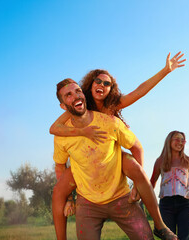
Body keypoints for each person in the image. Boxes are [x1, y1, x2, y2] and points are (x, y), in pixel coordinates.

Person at [51, 52, 185, 240]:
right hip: (86, 170)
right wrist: (84, 132)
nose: (102, 85)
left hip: (111, 159)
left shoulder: (112, 109)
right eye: (98, 81)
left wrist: (165, 71)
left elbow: (139, 91)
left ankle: (160, 225)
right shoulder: (79, 103)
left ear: (111, 89)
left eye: (108, 84)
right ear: (89, 85)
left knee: (132, 164)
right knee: (59, 191)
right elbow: (54, 128)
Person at [53, 78, 155, 240]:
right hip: (87, 203)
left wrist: (137, 183)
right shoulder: (62, 135)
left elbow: (136, 147)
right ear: (63, 106)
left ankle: (161, 225)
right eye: (68, 95)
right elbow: (60, 166)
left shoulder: (109, 122)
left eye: (78, 91)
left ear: (84, 95)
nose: (76, 96)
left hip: (121, 198)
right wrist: (68, 199)